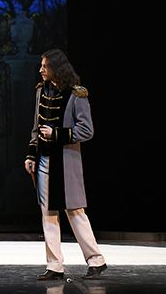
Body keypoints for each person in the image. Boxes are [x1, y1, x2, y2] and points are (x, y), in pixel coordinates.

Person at [24, 49, 107, 280]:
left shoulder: (76, 94)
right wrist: (31, 155)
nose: (41, 70)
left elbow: (87, 130)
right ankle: (55, 266)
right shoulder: (41, 91)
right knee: (48, 213)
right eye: (41, 66)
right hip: (44, 160)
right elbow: (35, 127)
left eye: (45, 66)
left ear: (56, 68)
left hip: (65, 161)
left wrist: (57, 134)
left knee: (75, 211)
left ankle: (96, 260)